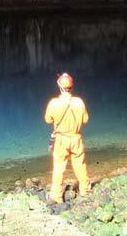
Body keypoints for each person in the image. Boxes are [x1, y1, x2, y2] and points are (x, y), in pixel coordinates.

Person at [44, 72, 90, 204]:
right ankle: (85, 190)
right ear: (72, 87)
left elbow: (48, 120)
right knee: (80, 165)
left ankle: (56, 196)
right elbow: (85, 119)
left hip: (61, 139)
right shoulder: (79, 102)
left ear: (59, 87)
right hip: (76, 138)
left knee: (58, 167)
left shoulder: (53, 103)